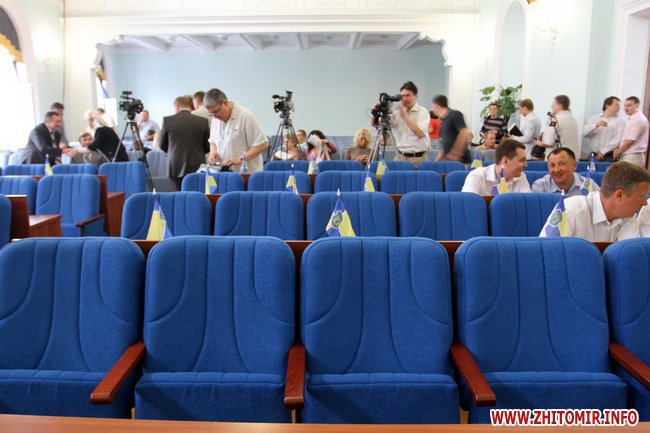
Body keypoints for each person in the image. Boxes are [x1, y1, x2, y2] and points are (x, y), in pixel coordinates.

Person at [540, 162, 649, 241]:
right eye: (642, 196)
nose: (645, 203)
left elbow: (627, 258)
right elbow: (548, 252)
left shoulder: (628, 217)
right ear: (619, 195)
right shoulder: (570, 210)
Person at [205, 88, 268, 173]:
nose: (215, 116)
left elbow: (263, 144)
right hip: (224, 173)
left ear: (225, 103)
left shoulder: (245, 116)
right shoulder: (215, 119)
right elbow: (213, 142)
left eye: (216, 112)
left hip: (247, 174)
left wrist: (240, 159)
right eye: (211, 114)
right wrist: (213, 153)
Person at [375, 81, 430, 166]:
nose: (404, 99)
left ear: (415, 96)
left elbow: (420, 134)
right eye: (402, 96)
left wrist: (404, 115)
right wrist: (375, 113)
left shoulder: (422, 112)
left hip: (418, 158)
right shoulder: (396, 113)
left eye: (408, 95)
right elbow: (376, 124)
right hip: (399, 156)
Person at [159, 95, 210, 186]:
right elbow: (207, 146)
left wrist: (173, 151)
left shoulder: (168, 120)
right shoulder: (203, 121)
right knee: (197, 190)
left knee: (178, 191)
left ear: (177, 106)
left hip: (175, 164)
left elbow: (162, 144)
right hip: (197, 164)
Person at [462, 139, 530, 195]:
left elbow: (528, 204)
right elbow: (469, 204)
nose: (526, 165)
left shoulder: (521, 177)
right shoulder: (476, 176)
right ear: (505, 161)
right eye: (521, 160)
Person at [532, 147, 600, 197]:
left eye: (562, 164)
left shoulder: (588, 184)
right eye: (552, 165)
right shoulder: (541, 186)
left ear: (574, 165)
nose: (557, 170)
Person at [537, 95, 581, 159]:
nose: (551, 106)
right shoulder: (573, 120)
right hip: (572, 157)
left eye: (554, 104)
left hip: (557, 158)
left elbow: (548, 141)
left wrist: (538, 142)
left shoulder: (555, 120)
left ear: (560, 105)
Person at [582, 96, 625, 162]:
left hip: (609, 156)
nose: (618, 107)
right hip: (594, 155)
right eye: (616, 105)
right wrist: (596, 125)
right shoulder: (595, 118)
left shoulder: (620, 121)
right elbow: (584, 133)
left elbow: (617, 140)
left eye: (619, 105)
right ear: (607, 106)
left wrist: (603, 151)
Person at [432, 94, 472, 163]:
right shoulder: (443, 121)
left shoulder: (455, 114)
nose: (432, 109)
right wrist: (436, 162)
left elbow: (464, 132)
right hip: (450, 161)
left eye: (433, 106)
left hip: (461, 160)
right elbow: (445, 146)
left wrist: (456, 153)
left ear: (437, 106)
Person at [613, 96, 649, 167]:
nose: (626, 108)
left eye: (629, 106)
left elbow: (630, 141)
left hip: (633, 156)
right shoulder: (631, 119)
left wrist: (618, 152)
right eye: (625, 106)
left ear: (637, 106)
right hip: (628, 155)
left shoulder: (637, 120)